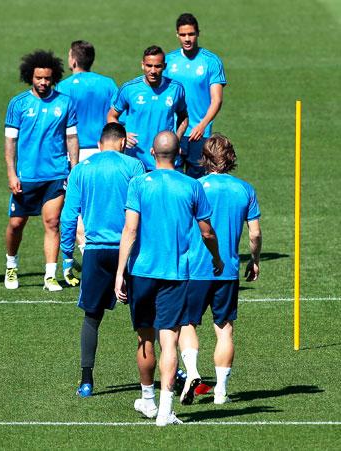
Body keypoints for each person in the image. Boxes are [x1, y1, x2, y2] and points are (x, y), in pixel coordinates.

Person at [114, 131, 223, 426]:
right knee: (169, 341)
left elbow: (130, 231)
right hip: (175, 274)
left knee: (144, 338)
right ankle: (165, 410)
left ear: (151, 152)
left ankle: (147, 400)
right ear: (178, 154)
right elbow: (207, 231)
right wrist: (216, 258)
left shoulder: (138, 184)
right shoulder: (192, 185)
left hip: (141, 273)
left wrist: (120, 272)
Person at [60, 123, 145, 397]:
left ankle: (86, 381)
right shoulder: (134, 167)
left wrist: (66, 254)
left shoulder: (81, 170)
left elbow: (69, 215)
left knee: (91, 317)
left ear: (99, 144)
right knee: (145, 317)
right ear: (122, 143)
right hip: (129, 251)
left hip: (95, 252)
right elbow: (144, 212)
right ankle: (170, 373)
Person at [177, 134, 261, 405]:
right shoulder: (245, 190)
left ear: (204, 158)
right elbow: (255, 234)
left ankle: (191, 373)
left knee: (186, 323)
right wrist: (255, 259)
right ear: (231, 158)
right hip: (228, 271)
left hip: (195, 269)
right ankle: (222, 390)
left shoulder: (195, 187)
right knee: (224, 328)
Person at [4, 49, 79, 291]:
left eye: (47, 78)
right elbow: (10, 143)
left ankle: (50, 275)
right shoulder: (18, 104)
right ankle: (11, 266)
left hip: (55, 175)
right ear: (31, 77)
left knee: (52, 222)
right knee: (16, 224)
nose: (43, 82)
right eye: (38, 78)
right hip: (26, 178)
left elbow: (71, 138)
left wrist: (74, 170)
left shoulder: (65, 102)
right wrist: (11, 173)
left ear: (54, 77)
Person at [57, 40, 120, 276]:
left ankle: (89, 255)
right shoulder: (108, 84)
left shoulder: (64, 87)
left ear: (73, 60)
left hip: (76, 153)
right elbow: (117, 114)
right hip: (106, 150)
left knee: (76, 208)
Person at [164, 13, 227, 178]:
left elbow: (217, 99)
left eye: (191, 34)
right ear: (177, 34)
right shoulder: (168, 61)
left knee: (198, 183)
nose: (187, 39)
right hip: (173, 133)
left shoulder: (211, 61)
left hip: (199, 134)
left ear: (198, 33)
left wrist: (202, 125)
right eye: (183, 34)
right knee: (173, 180)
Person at [107, 46, 188, 171]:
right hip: (135, 161)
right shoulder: (129, 89)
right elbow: (112, 116)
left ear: (164, 66)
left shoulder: (176, 89)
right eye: (149, 65)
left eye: (158, 66)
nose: (153, 71)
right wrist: (122, 134)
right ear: (142, 65)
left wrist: (176, 140)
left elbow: (184, 117)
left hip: (166, 160)